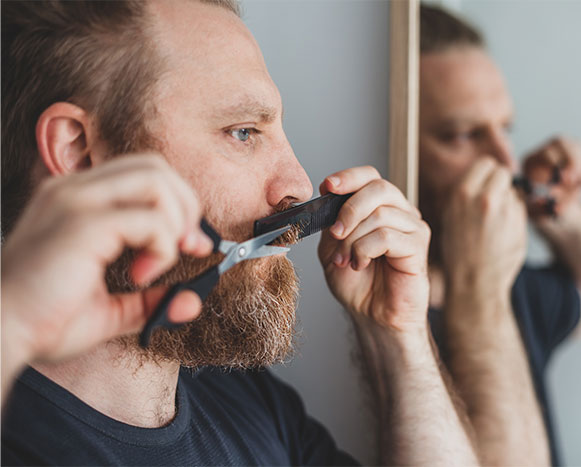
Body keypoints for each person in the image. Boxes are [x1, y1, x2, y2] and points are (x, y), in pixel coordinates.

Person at [1, 1, 477, 465]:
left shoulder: (252, 404)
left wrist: (398, 337)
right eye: (244, 132)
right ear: (79, 150)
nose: (297, 185)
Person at [418, 4, 581, 466]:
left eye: (506, 130)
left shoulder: (515, 287)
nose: (506, 160)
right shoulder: (379, 309)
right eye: (463, 135)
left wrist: (558, 208)